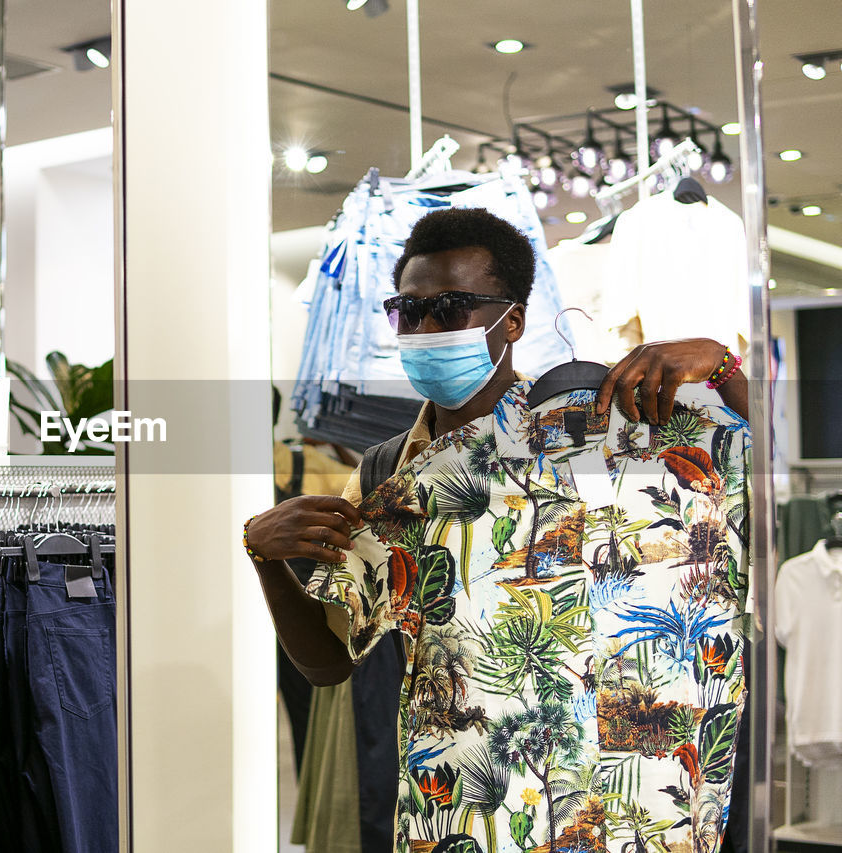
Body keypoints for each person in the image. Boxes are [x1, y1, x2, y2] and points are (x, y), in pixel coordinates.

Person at [244, 208, 751, 851]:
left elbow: (772, 486)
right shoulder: (390, 476)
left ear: (512, 319)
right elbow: (326, 662)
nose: (428, 327)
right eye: (409, 310)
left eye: (453, 308)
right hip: (472, 820)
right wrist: (263, 555)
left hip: (643, 819)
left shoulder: (656, 438)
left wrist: (728, 372)